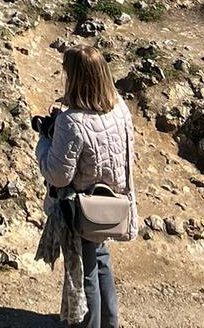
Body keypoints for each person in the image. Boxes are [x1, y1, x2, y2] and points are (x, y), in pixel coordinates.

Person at [36, 44, 137, 328]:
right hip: (112, 202)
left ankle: (89, 325)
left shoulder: (72, 122)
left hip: (82, 207)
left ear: (75, 78)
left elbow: (58, 175)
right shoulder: (119, 107)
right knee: (101, 260)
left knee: (85, 271)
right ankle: (109, 322)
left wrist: (45, 140)